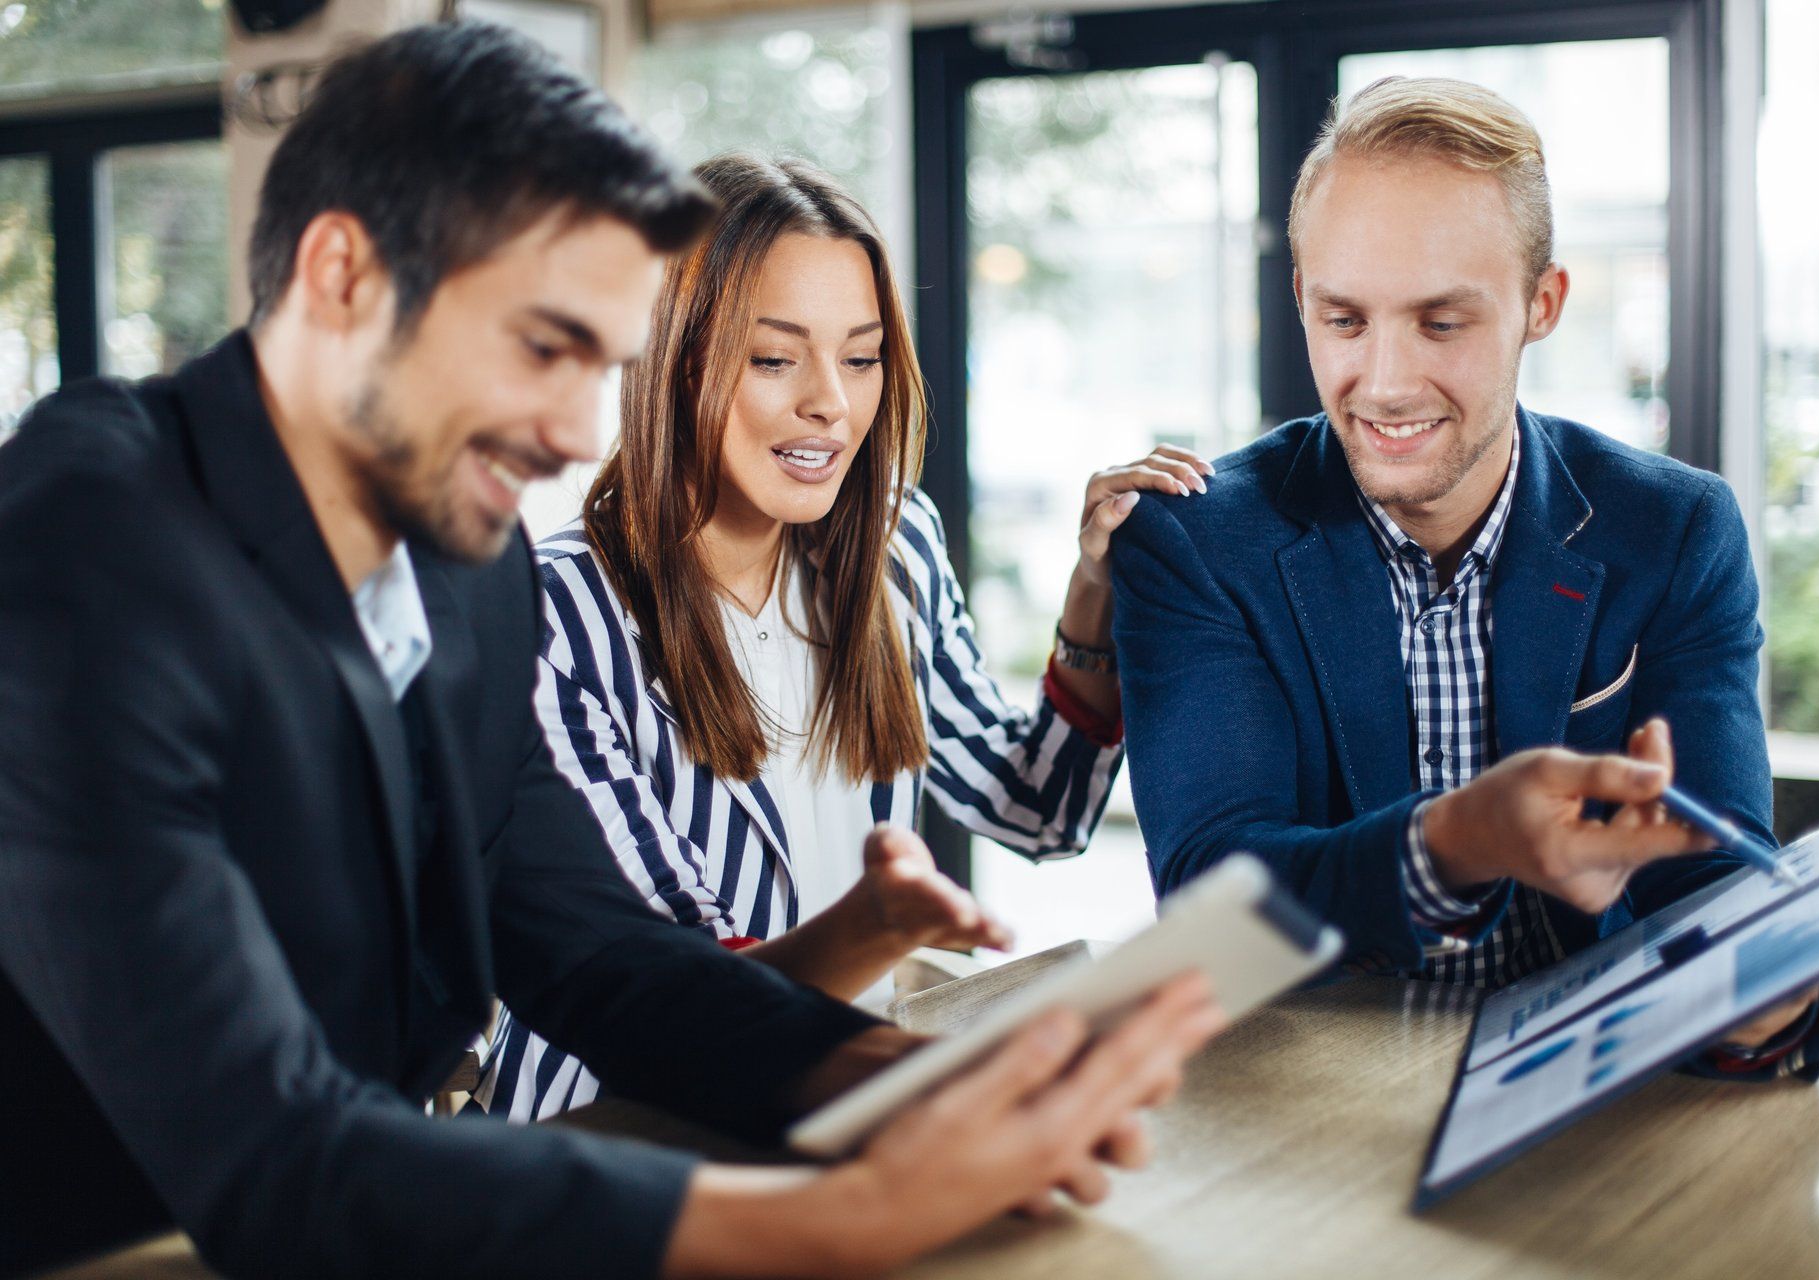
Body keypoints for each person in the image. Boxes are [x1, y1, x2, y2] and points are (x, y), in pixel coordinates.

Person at [0, 23, 1225, 1279]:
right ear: (341, 276)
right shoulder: (84, 546)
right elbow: (272, 1150)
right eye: (543, 347)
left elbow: (600, 956)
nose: (580, 431)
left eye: (605, 362)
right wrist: (849, 1214)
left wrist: (911, 1083)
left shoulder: (465, 572)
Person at [1108, 76, 1819, 1077]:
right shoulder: (1196, 543)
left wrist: (1760, 992)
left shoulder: (1672, 530)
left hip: (1598, 1105)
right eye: (1344, 319)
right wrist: (1457, 840)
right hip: (1298, 1116)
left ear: (1543, 304)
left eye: (1442, 322)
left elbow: (1711, 886)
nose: (1388, 382)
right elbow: (1211, 912)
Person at [480, 151, 1216, 1120]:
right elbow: (673, 1004)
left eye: (861, 356)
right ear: (673, 360)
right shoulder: (557, 614)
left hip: (839, 1103)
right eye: (776, 356)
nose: (831, 400)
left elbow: (1039, 808)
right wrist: (874, 925)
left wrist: (1096, 589)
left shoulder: (890, 549)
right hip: (615, 1136)